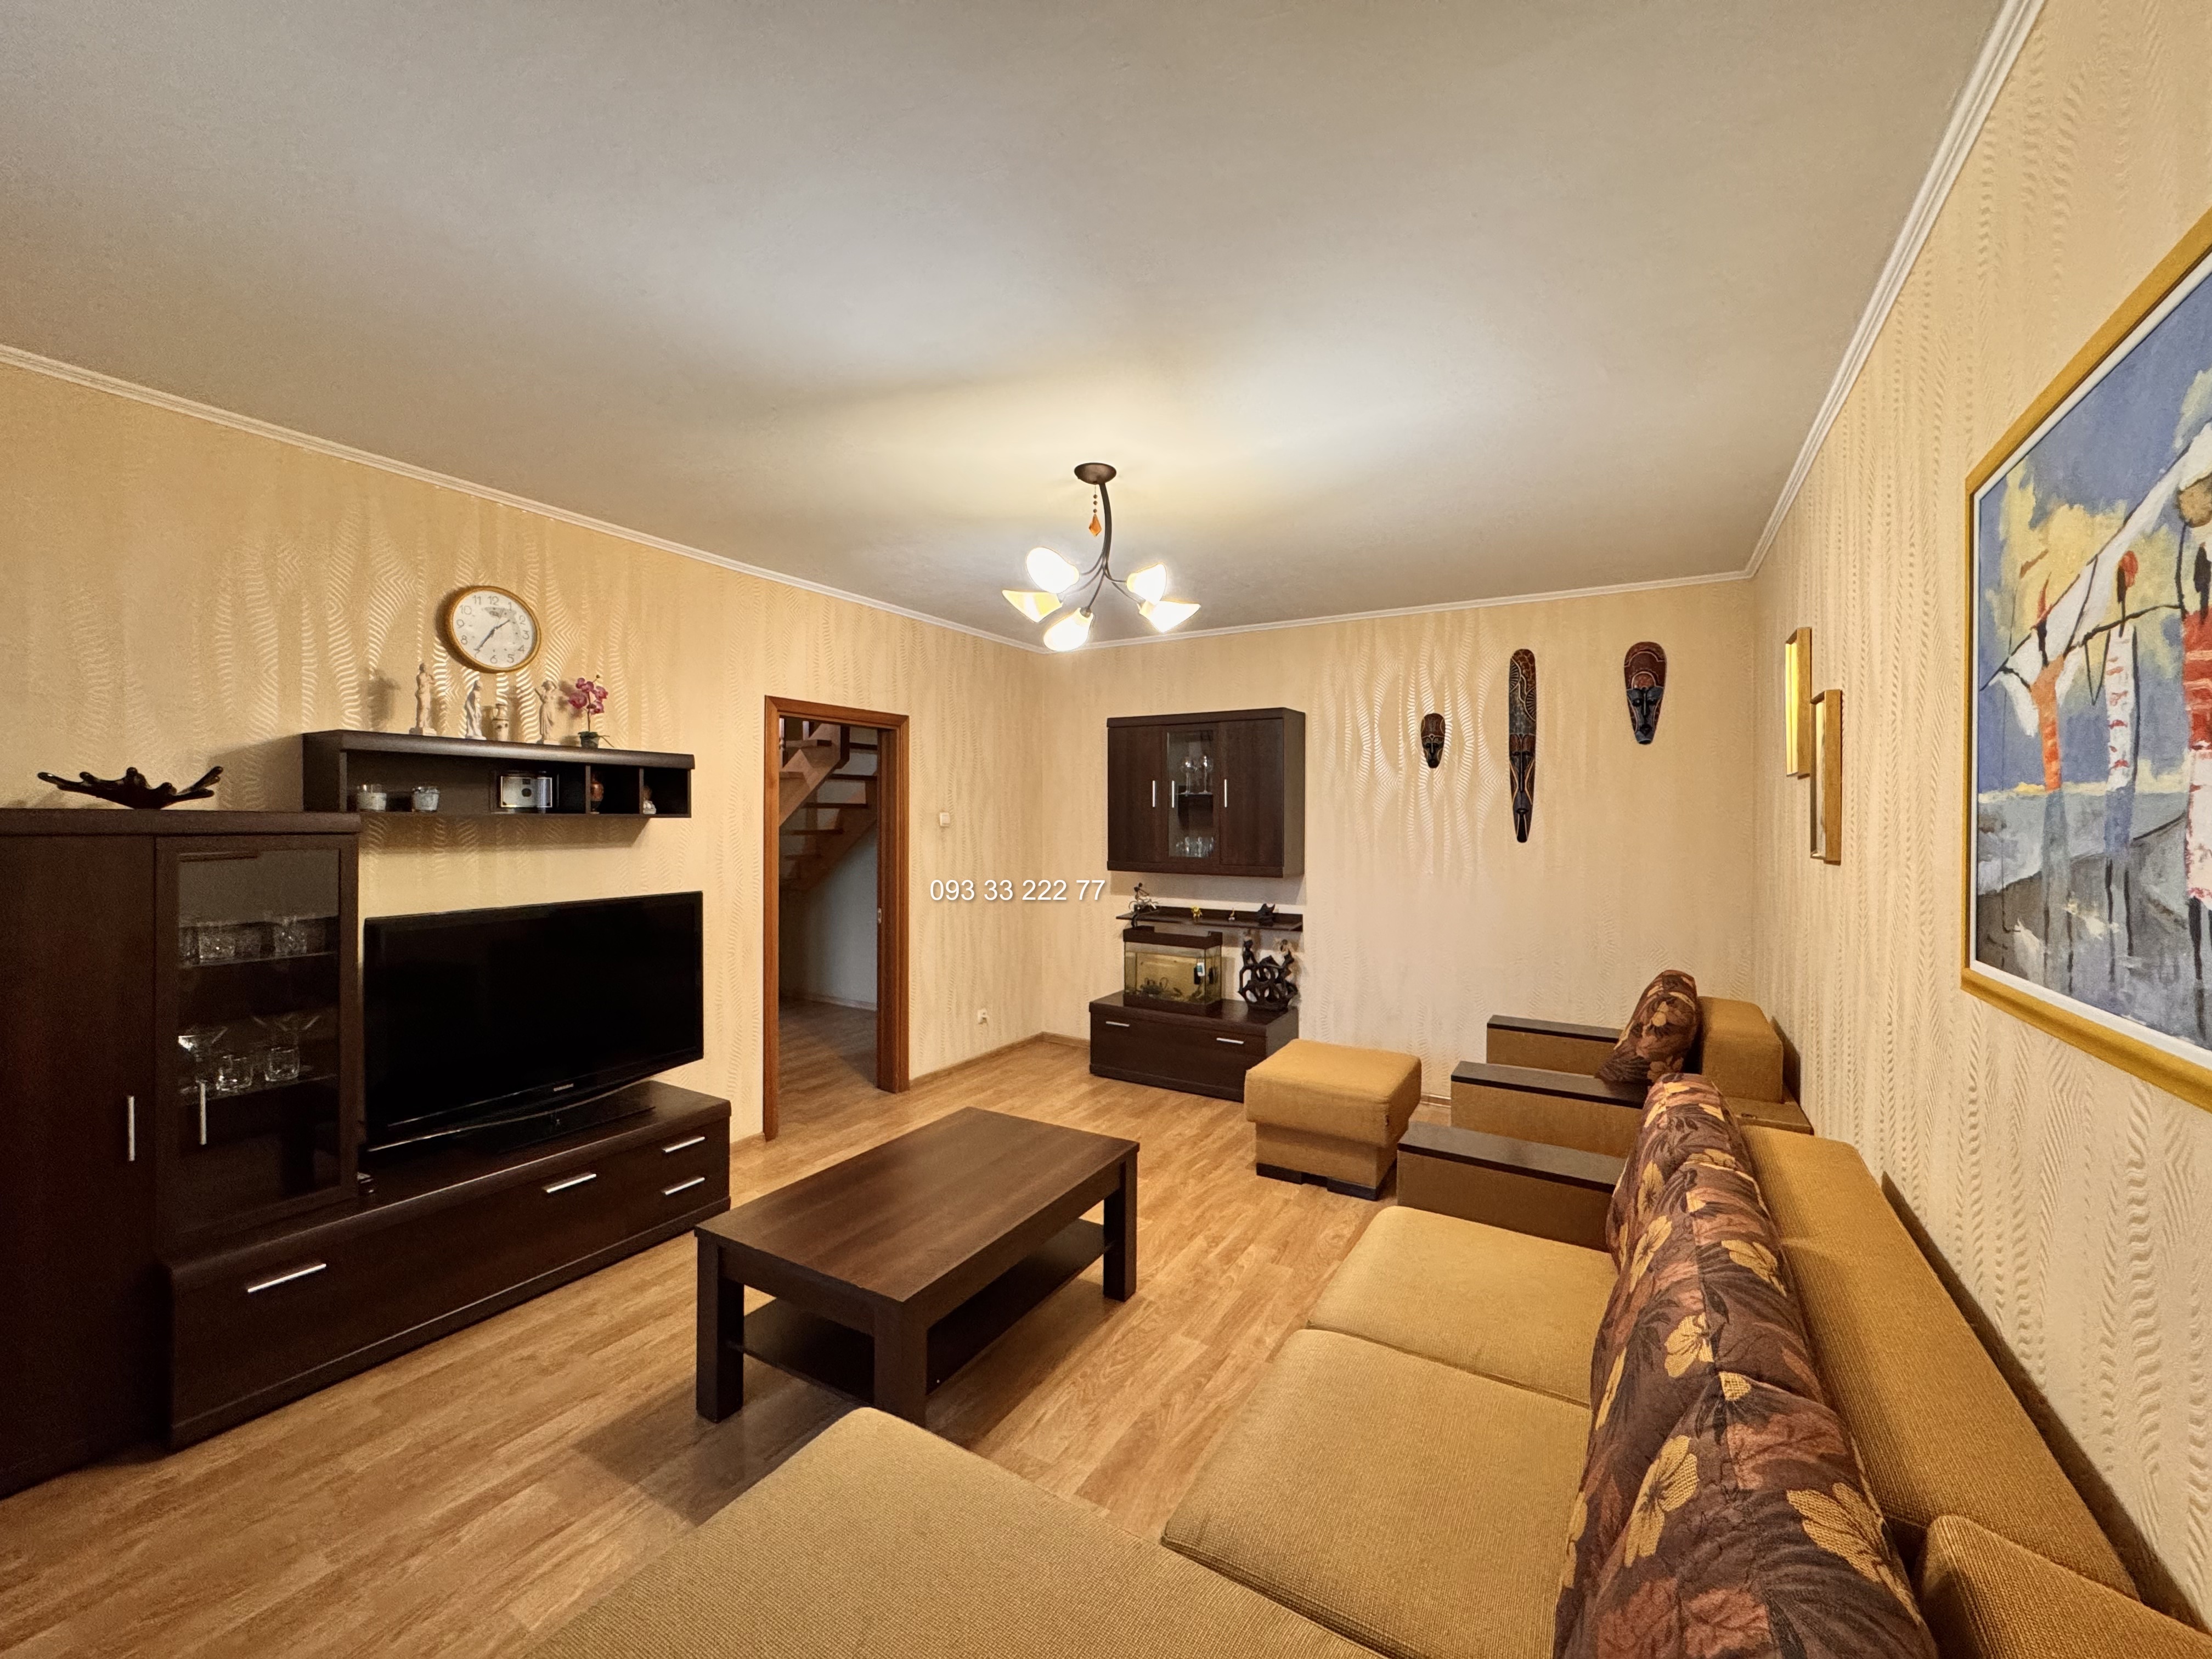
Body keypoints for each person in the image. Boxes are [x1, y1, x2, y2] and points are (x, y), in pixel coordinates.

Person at [2103, 550, 2140, 979]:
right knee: (2114, 848)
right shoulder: (2112, 638)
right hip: (2115, 771)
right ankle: (2116, 917)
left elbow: (2136, 706)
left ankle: (2122, 921)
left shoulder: (2130, 636)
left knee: (2120, 849)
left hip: (2124, 771)